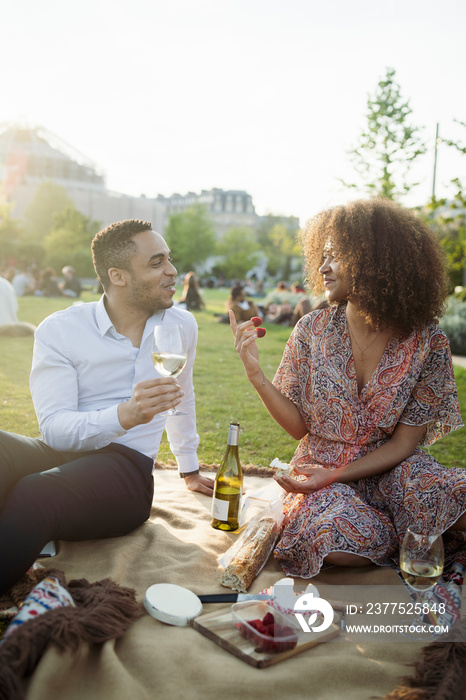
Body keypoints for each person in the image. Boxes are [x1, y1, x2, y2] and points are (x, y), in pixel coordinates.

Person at [230, 198, 466, 579]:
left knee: (454, 493)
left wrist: (342, 475)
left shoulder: (428, 343)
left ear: (376, 261)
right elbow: (298, 428)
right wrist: (256, 375)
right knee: (334, 538)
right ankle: (413, 534)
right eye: (321, 256)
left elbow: (405, 444)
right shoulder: (312, 329)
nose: (322, 267)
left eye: (335, 256)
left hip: (393, 466)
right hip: (320, 465)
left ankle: (411, 527)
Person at [0, 219, 213, 595]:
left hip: (127, 469)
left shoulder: (181, 325)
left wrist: (190, 468)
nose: (172, 271)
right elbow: (55, 427)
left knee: (36, 493)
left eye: (169, 260)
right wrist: (125, 414)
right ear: (118, 276)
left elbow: (183, 394)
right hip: (64, 451)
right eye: (156, 262)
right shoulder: (61, 329)